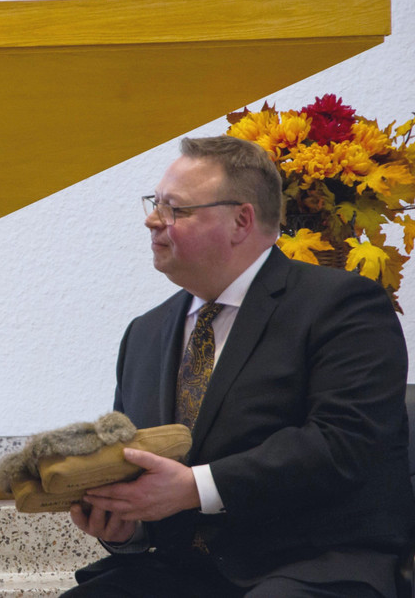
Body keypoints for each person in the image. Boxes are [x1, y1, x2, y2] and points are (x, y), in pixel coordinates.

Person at [62, 135, 415, 597]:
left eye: (175, 209)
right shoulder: (144, 335)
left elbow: (343, 442)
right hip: (182, 574)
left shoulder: (342, 305)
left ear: (241, 220)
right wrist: (125, 522)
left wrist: (193, 488)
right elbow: (145, 465)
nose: (152, 220)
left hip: (313, 564)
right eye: (154, 204)